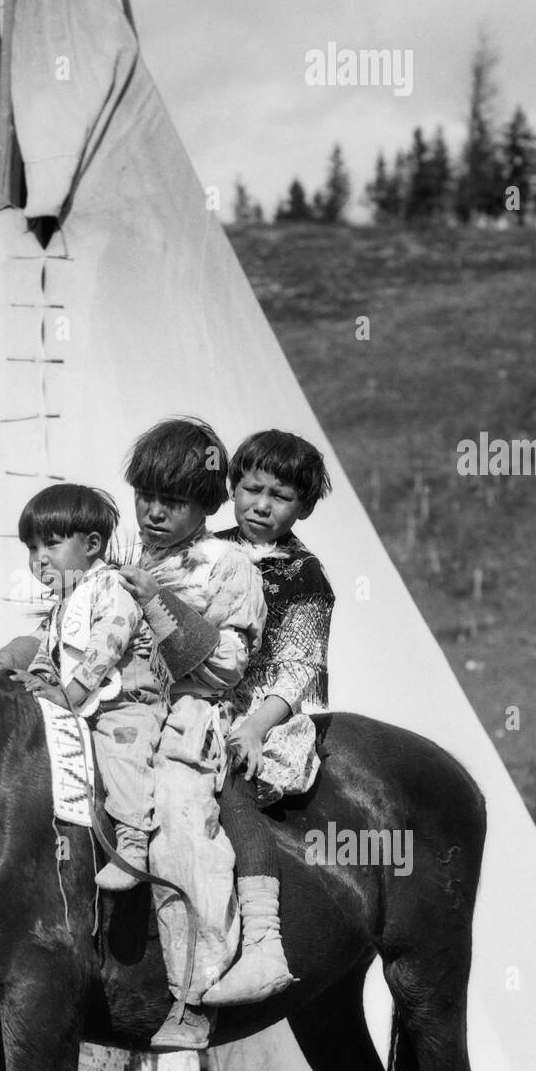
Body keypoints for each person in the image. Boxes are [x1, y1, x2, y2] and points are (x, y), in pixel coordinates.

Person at [116, 418, 266, 1050]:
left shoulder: (228, 566)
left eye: (172, 502)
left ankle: (196, 994)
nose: (153, 512)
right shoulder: (125, 556)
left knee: (179, 828)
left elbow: (227, 667)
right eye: (145, 496)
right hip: (119, 710)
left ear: (207, 505)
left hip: (190, 719)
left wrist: (156, 602)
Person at [200, 429, 334, 1004]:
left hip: (260, 714)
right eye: (251, 489)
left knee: (226, 786)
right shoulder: (203, 548)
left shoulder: (304, 577)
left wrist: (255, 725)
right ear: (232, 488)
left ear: (303, 506)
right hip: (191, 696)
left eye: (278, 496)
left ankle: (263, 942)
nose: (261, 504)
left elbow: (298, 667)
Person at [3, 483, 169, 889]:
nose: (39, 559)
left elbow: (106, 647)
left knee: (121, 756)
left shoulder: (113, 586)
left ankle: (132, 843)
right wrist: (37, 679)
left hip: (126, 706)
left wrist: (68, 694)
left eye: (51, 545)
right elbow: (51, 653)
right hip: (81, 707)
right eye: (31, 548)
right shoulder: (63, 603)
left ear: (92, 543)